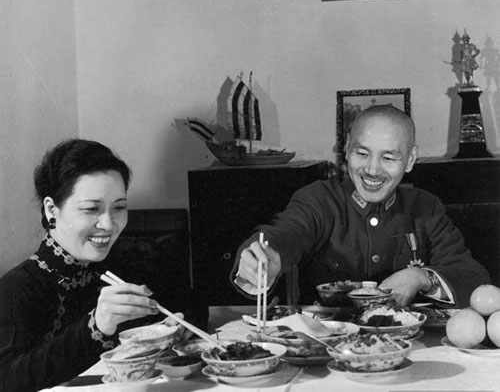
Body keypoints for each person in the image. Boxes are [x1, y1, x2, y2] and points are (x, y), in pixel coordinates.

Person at [232, 105, 490, 308]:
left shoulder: (426, 208)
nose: (372, 170)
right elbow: (286, 233)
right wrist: (264, 257)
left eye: (388, 157)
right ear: (347, 149)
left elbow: (473, 278)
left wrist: (421, 277)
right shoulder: (318, 199)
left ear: (410, 159)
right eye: (362, 154)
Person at [0, 139, 186, 392]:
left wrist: (172, 329)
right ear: (52, 209)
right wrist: (96, 326)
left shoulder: (127, 260)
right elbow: (7, 380)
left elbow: (189, 307)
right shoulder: (18, 288)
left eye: (119, 207)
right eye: (90, 209)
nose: (108, 225)